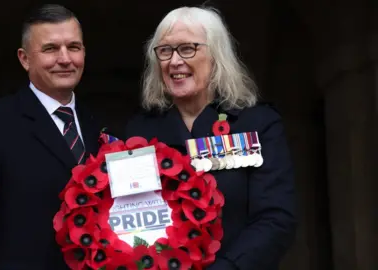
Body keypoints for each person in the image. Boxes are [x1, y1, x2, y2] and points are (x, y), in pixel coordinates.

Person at [125, 6, 297, 270]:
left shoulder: (256, 124)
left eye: (187, 48)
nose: (174, 61)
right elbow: (130, 222)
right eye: (165, 51)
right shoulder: (139, 133)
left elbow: (275, 218)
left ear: (216, 56)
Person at [0, 4, 101, 270]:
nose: (65, 59)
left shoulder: (97, 125)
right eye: (50, 49)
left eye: (73, 47)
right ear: (25, 58)